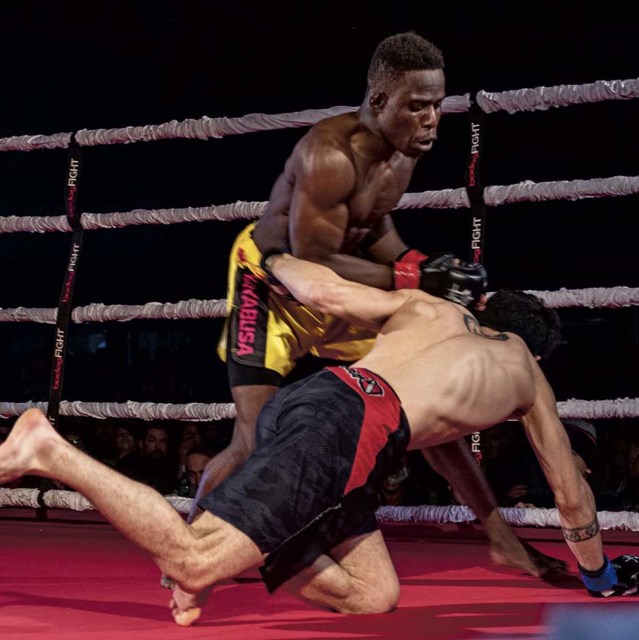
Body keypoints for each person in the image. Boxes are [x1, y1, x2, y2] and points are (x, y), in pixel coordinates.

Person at [0, 254, 639, 626]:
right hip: (350, 427)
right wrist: (598, 576)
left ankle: (239, 552)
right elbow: (571, 492)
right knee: (198, 561)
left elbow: (319, 291)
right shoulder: (527, 376)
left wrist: (276, 258)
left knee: (374, 594)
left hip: (330, 404)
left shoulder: (428, 309)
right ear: (536, 347)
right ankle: (50, 449)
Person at [204, 30, 563, 579]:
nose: (431, 121)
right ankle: (194, 532)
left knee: (423, 395)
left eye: (438, 107)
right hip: (275, 285)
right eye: (417, 107)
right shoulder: (329, 154)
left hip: (342, 294)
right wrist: (415, 274)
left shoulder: (401, 154)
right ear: (378, 101)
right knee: (254, 440)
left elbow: (373, 230)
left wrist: (431, 268)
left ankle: (500, 539)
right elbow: (314, 258)